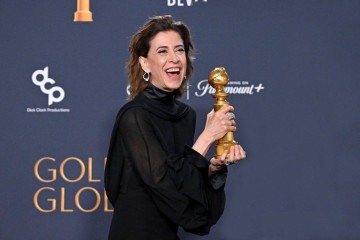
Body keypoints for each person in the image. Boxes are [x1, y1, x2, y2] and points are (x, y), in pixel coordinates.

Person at [104, 15, 246, 240]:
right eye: (162, 51)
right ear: (144, 63)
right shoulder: (134, 116)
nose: (174, 58)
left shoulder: (185, 116)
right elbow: (162, 183)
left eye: (179, 50)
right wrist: (207, 136)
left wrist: (211, 170)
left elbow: (183, 192)